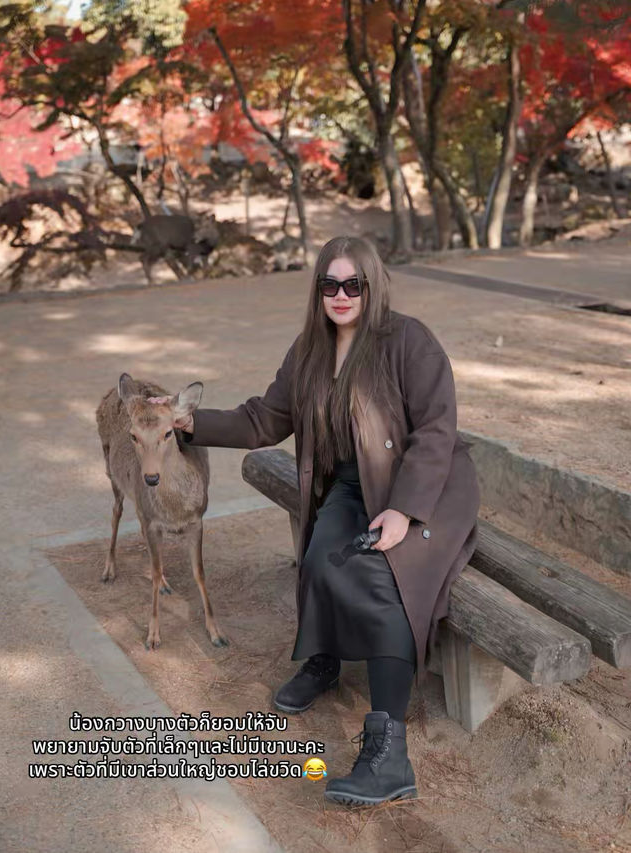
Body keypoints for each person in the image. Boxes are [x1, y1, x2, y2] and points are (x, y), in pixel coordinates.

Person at [149, 235, 480, 806]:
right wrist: (189, 425)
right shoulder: (309, 350)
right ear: (319, 290)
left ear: (372, 285)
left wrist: (403, 509)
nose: (342, 294)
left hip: (424, 490)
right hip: (355, 484)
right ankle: (325, 660)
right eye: (331, 284)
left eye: (354, 284)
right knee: (323, 558)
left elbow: (436, 431)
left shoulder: (408, 340)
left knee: (384, 578)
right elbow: (263, 419)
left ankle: (388, 755)